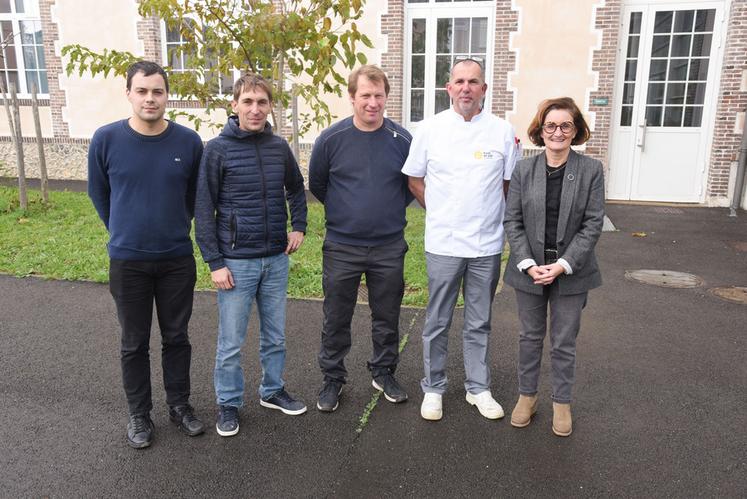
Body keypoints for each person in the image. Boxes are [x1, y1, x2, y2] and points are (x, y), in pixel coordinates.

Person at [88, 61, 205, 449]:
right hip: (128, 261)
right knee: (134, 342)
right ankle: (139, 414)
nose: (150, 98)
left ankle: (179, 406)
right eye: (142, 91)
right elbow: (99, 195)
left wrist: (171, 225)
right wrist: (125, 230)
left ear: (167, 95)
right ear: (129, 94)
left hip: (175, 258)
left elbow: (193, 198)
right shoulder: (105, 140)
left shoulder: (189, 143)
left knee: (177, 337)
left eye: (157, 91)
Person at [402, 58, 518, 422]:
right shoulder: (430, 129)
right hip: (444, 243)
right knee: (437, 320)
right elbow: (414, 179)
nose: (466, 87)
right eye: (459, 81)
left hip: (486, 245)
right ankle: (433, 387)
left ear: (484, 89)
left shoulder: (501, 130)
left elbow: (507, 184)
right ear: (448, 88)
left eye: (474, 81)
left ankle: (478, 388)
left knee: (479, 320)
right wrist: (439, 209)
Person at [194, 74, 308, 436]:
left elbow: (296, 189)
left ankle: (272, 391)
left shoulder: (278, 147)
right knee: (231, 342)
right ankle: (228, 403)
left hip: (275, 259)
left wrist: (299, 226)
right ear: (235, 105)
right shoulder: (217, 150)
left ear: (270, 106)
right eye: (248, 102)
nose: (255, 109)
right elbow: (204, 207)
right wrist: (215, 262)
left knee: (275, 336)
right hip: (236, 263)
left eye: (262, 102)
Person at [308, 65, 412, 412]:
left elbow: (408, 188)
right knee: (336, 316)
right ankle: (333, 379)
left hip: (388, 246)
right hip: (342, 246)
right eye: (365, 95)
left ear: (386, 97)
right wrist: (348, 212)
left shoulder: (402, 141)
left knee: (387, 315)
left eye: (378, 95)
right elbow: (319, 185)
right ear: (352, 97)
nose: (372, 102)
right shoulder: (330, 140)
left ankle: (383, 372)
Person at [503, 97, 604, 437]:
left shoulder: (591, 170)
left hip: (570, 271)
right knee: (529, 337)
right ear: (540, 130)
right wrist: (528, 263)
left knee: (563, 341)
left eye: (565, 126)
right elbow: (512, 220)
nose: (557, 132)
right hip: (529, 269)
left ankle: (562, 403)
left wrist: (562, 265)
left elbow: (592, 224)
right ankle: (527, 397)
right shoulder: (524, 169)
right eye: (551, 125)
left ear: (576, 132)